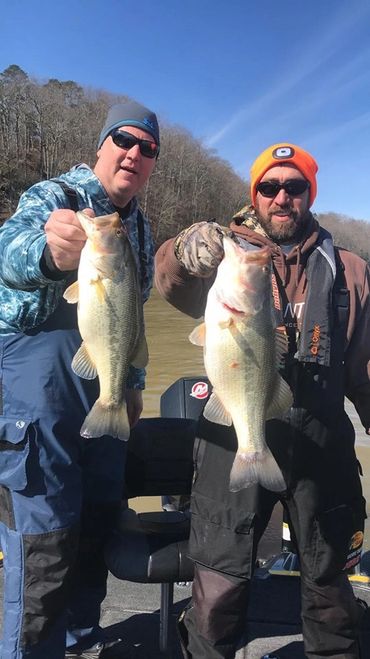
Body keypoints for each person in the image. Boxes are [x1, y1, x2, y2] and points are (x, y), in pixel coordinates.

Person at [155, 142, 370, 659]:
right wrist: (184, 251)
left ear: (308, 195)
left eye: (293, 187)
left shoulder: (350, 269)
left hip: (323, 445)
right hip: (233, 435)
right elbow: (168, 279)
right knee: (219, 587)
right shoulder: (225, 255)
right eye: (269, 187)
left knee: (331, 587)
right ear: (256, 194)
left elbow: (364, 371)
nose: (281, 197)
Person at [0, 100, 160, 659]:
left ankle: (80, 639)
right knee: (46, 530)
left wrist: (134, 382)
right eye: (124, 140)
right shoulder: (55, 197)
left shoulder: (139, 226)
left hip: (105, 383)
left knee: (96, 518)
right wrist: (47, 253)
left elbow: (134, 317)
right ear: (100, 145)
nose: (134, 154)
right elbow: (7, 250)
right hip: (36, 377)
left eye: (147, 149)